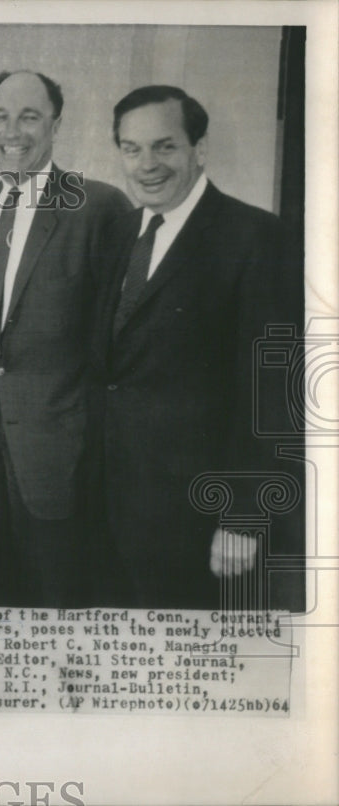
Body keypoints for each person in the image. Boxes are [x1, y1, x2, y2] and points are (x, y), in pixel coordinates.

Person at [90, 85, 303, 608]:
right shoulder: (120, 232)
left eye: (165, 146)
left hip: (203, 523)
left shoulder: (256, 237)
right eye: (131, 148)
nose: (146, 165)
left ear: (198, 149)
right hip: (112, 512)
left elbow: (275, 395)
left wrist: (245, 516)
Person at [0, 70, 131, 608]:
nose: (12, 131)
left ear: (56, 123)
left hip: (60, 454)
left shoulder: (99, 207)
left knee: (57, 607)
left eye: (29, 116)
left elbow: (117, 347)